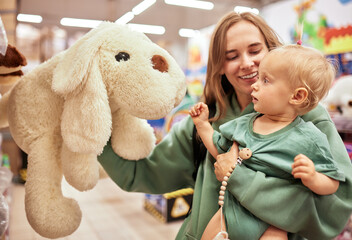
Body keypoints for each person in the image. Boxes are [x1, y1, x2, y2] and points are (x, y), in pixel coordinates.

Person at [98, 11, 352, 240]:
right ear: (219, 65)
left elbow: (336, 202)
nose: (246, 63)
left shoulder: (308, 119)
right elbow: (144, 172)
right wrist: (98, 131)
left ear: (272, 52)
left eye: (255, 50)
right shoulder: (203, 120)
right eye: (231, 56)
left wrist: (239, 178)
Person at [189, 44, 345, 239]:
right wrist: (203, 125)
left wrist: (313, 177)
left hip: (273, 224)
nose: (255, 84)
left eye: (265, 80)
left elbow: (332, 183)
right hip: (229, 213)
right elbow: (220, 151)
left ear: (297, 96)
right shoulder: (244, 124)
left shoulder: (310, 138)